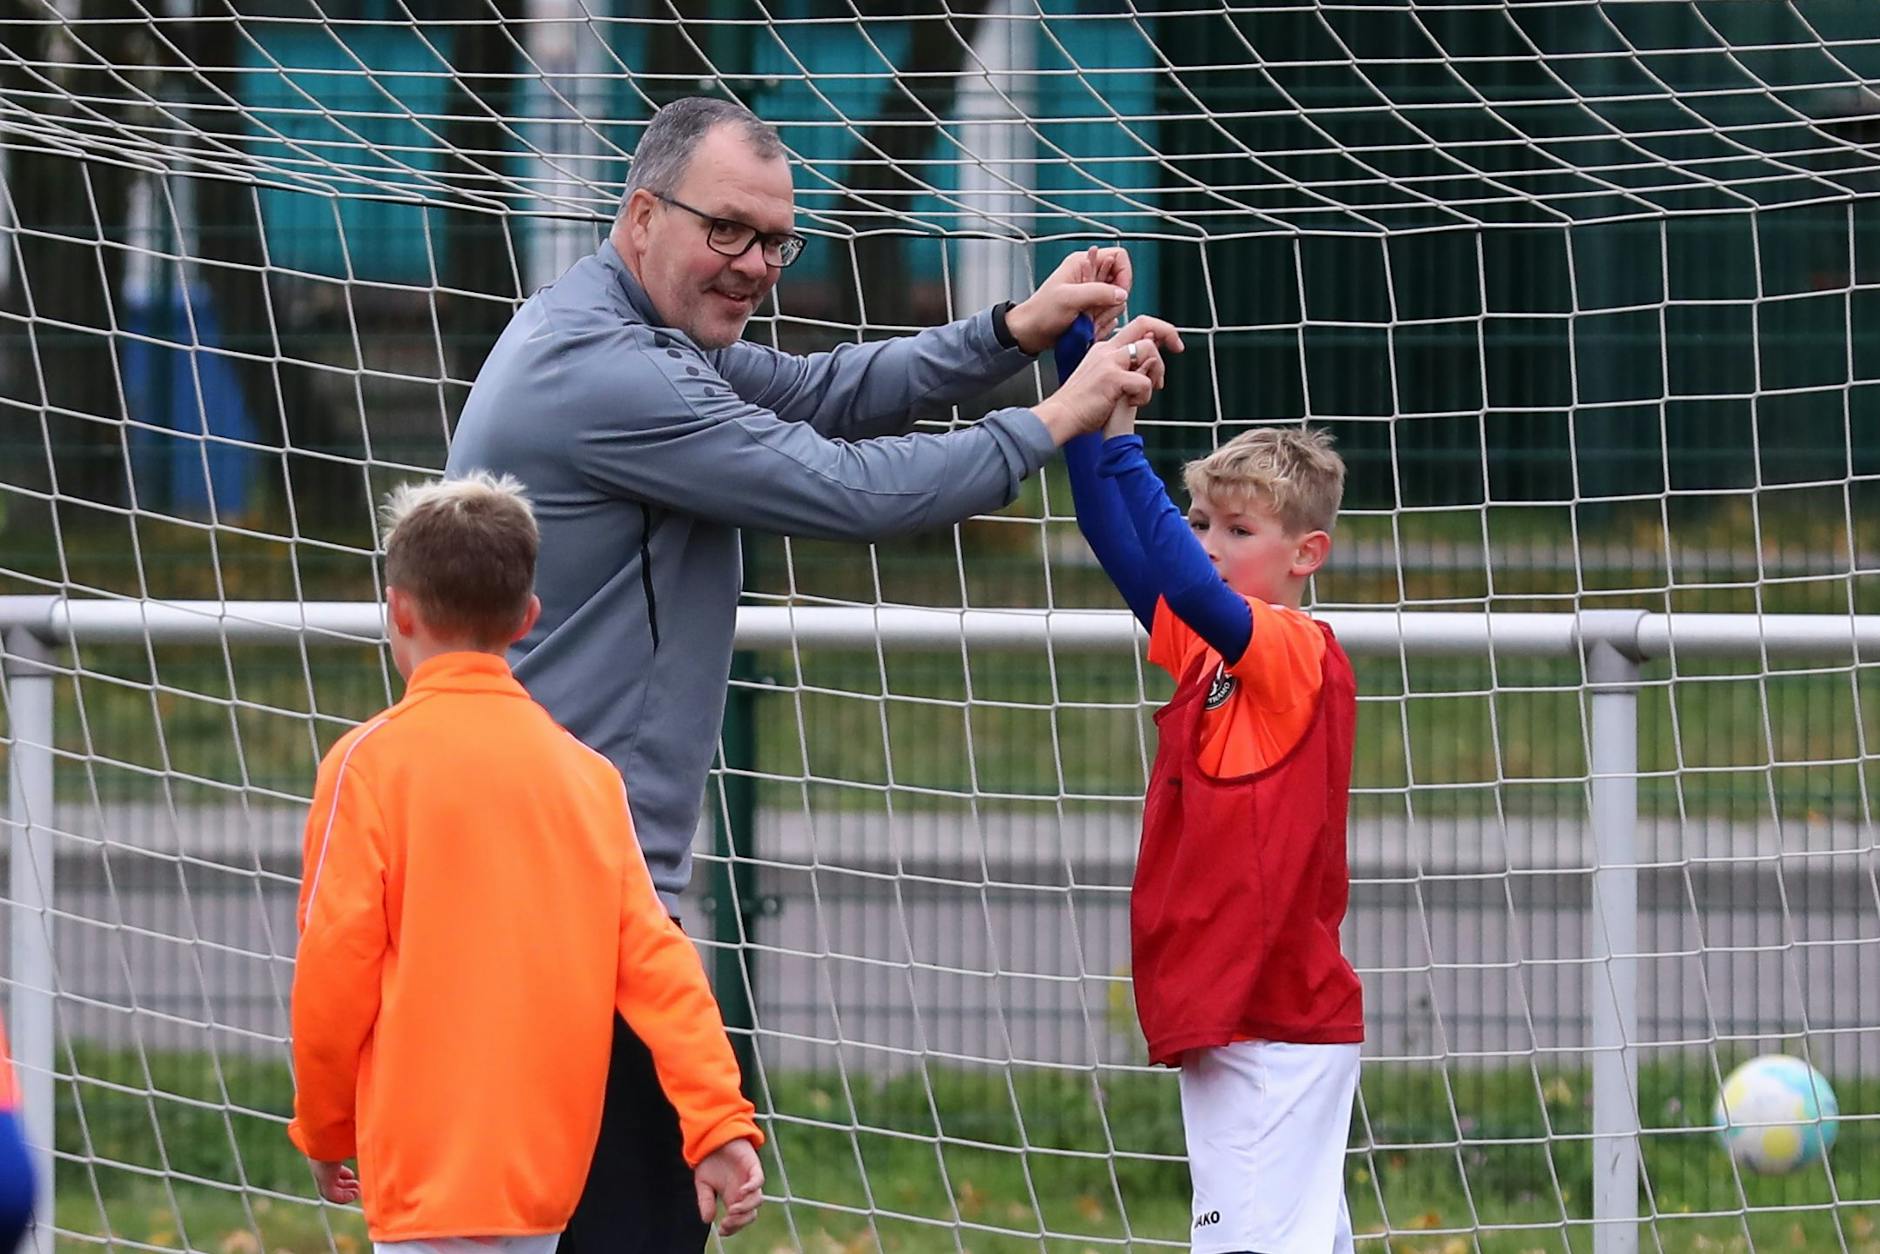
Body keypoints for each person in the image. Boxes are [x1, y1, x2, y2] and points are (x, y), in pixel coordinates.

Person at [445, 96, 1179, 1251]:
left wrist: (1010, 330)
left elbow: (819, 391)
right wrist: (1054, 419)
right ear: (641, 217)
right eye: (726, 231)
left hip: (558, 883)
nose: (753, 265)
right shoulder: (610, 372)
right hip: (561, 894)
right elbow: (847, 488)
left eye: (775, 242)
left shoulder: (618, 327)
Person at [287, 474, 765, 1253]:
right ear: (527, 618)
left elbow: (333, 967)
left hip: (422, 1172)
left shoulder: (366, 766)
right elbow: (658, 965)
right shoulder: (588, 776)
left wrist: (324, 1124)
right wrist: (717, 1120)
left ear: (398, 609)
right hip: (545, 1179)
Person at [1058, 322, 1364, 1253]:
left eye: (1239, 530)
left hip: (1275, 1024)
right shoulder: (1208, 654)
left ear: (1305, 554)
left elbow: (1189, 586)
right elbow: (1113, 534)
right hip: (1239, 1018)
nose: (1209, 544)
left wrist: (1127, 441)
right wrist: (1084, 374)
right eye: (1201, 524)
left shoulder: (1294, 649)